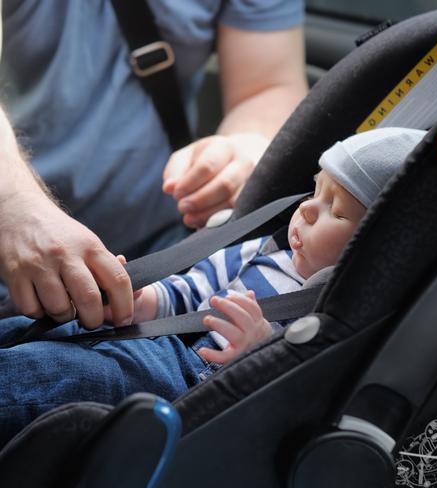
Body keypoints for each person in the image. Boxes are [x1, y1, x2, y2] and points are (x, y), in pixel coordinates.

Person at [0, 127, 427, 446]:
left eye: (336, 209)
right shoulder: (264, 250)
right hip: (153, 334)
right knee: (31, 323)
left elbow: (295, 387)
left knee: (58, 377)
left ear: (376, 243)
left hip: (189, 377)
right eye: (315, 192)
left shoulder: (337, 310)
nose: (307, 212)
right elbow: (192, 290)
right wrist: (137, 301)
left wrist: (259, 348)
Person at [0, 0, 308, 323]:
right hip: (14, 257)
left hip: (160, 258)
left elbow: (267, 87)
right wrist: (13, 205)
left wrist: (244, 147)